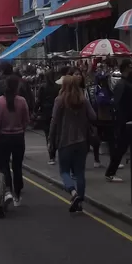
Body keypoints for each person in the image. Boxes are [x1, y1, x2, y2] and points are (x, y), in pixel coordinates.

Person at [50, 75, 97, 212]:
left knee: (64, 171)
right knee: (79, 172)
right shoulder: (84, 101)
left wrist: (51, 140)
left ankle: (73, 193)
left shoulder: (59, 101)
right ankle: (80, 203)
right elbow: (93, 117)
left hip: (65, 141)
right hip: (82, 141)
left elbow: (54, 122)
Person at [0, 74, 30, 206]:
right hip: (18, 137)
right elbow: (26, 120)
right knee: (17, 166)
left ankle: (7, 191)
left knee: (4, 165)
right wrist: (21, 129)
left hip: (4, 137)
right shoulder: (22, 101)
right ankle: (17, 195)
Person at [37, 71, 61, 164]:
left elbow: (39, 100)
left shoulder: (43, 87)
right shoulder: (57, 87)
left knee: (48, 135)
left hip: (46, 113)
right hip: (55, 111)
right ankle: (56, 151)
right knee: (56, 133)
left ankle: (52, 156)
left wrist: (35, 110)